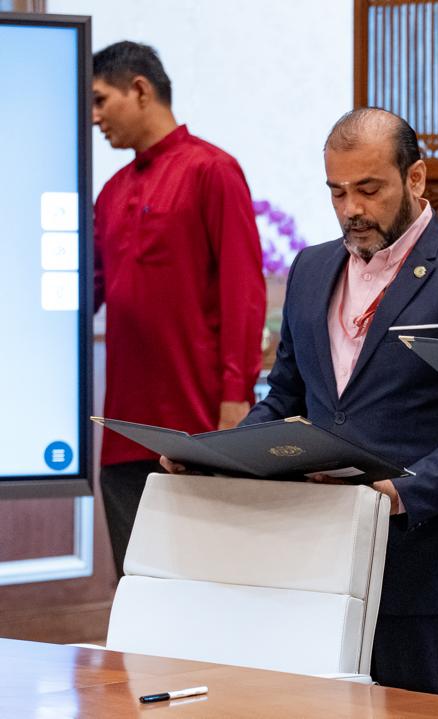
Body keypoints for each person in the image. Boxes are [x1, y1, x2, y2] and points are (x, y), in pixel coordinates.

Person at [235, 108, 438, 697]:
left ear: (415, 178)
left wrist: (401, 493)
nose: (352, 209)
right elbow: (287, 395)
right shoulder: (311, 267)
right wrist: (225, 455)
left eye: (369, 190)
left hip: (423, 566)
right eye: (337, 192)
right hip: (315, 557)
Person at [92, 41, 265, 577]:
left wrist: (235, 399)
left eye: (100, 100)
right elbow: (86, 296)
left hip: (199, 424)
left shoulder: (213, 170)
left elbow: (243, 291)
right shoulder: (110, 191)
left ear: (139, 89)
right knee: (137, 586)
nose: (94, 118)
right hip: (123, 429)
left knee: (206, 585)